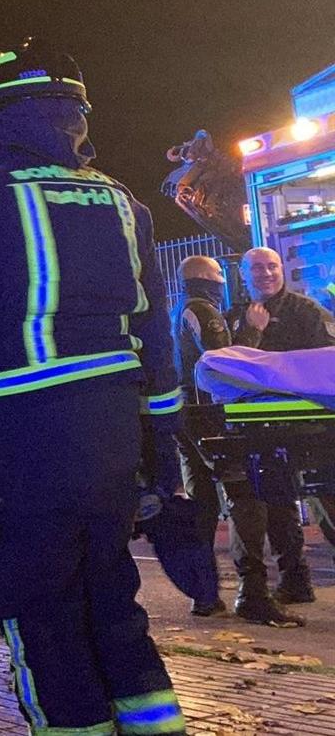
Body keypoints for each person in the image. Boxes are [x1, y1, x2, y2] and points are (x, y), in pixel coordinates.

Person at [0, 41, 187, 735]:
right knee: (112, 598)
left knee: (32, 599)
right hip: (117, 433)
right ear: (74, 113)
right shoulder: (127, 204)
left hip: (32, 434)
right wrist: (163, 449)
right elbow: (157, 339)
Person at [222, 246, 335, 615]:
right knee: (277, 505)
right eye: (257, 268)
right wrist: (251, 335)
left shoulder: (306, 312)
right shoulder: (235, 318)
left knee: (327, 503)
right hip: (261, 430)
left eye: (272, 266)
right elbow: (229, 368)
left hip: (313, 428)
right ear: (243, 274)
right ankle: (295, 582)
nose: (266, 273)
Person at [170, 255, 231, 618]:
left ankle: (205, 594)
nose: (225, 280)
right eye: (220, 274)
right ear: (207, 279)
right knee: (238, 493)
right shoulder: (201, 309)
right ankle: (246, 592)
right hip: (205, 413)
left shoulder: (179, 308)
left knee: (202, 504)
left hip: (184, 414)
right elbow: (220, 359)